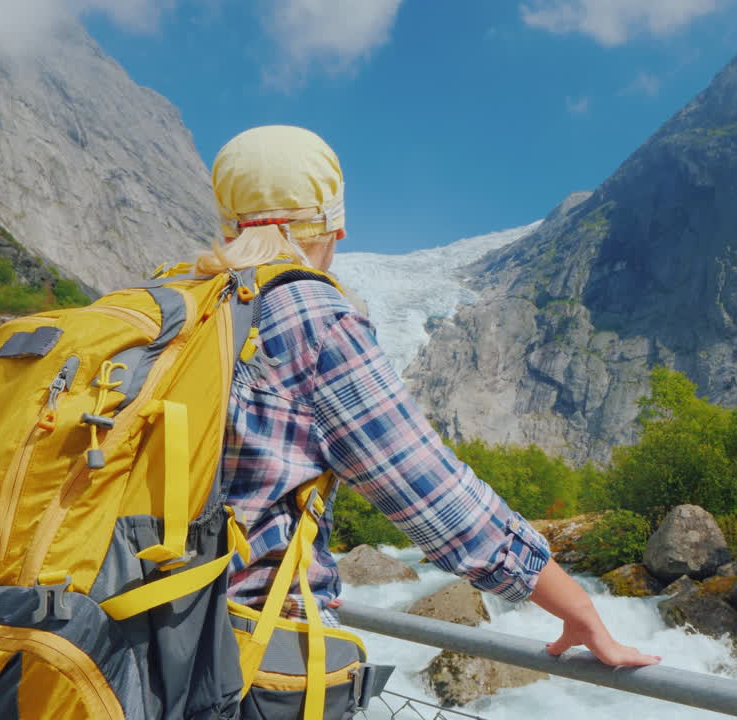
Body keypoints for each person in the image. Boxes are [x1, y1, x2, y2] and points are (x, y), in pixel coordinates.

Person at [203, 125, 659, 669]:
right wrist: (576, 603)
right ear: (333, 226)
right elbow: (435, 497)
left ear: (228, 220)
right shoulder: (312, 317)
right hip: (245, 650)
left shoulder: (175, 302)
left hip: (136, 634)